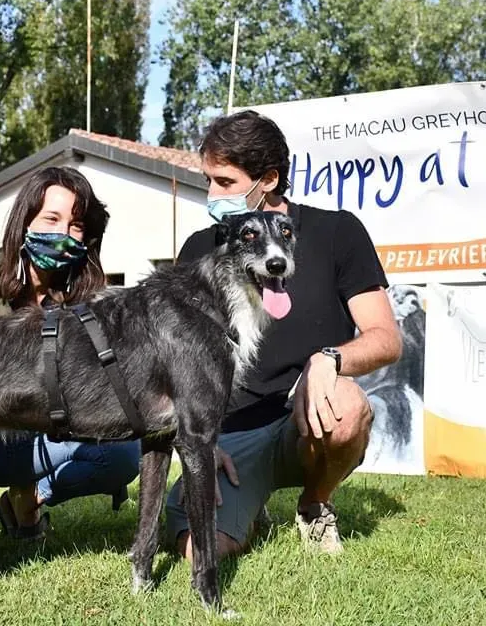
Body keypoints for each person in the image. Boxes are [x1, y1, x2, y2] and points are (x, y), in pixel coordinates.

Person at [166, 110, 402, 559]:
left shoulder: (337, 232)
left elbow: (385, 337)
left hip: (307, 419)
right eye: (209, 182)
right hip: (228, 435)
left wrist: (329, 359)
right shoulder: (199, 248)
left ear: (268, 179)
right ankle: (248, 508)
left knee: (348, 405)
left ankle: (315, 503)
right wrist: (198, 446)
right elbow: (178, 366)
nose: (213, 195)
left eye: (226, 182)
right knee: (200, 551)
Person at [0, 166, 141, 575]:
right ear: (25, 221)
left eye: (75, 225)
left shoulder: (85, 296)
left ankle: (31, 495)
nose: (63, 234)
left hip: (38, 434)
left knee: (125, 454)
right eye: (51, 220)